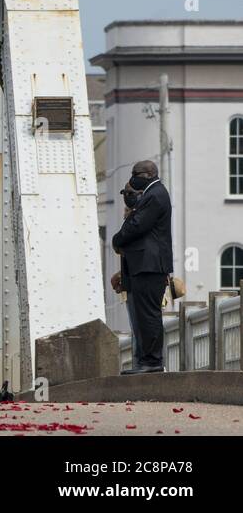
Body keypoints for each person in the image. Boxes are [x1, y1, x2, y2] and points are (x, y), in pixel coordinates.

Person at [111, 160, 174, 374]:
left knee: (148, 315)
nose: (132, 179)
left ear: (146, 175)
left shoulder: (154, 195)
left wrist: (117, 240)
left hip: (149, 265)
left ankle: (152, 362)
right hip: (145, 265)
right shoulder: (154, 193)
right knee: (145, 314)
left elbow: (137, 225)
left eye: (134, 174)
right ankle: (147, 361)